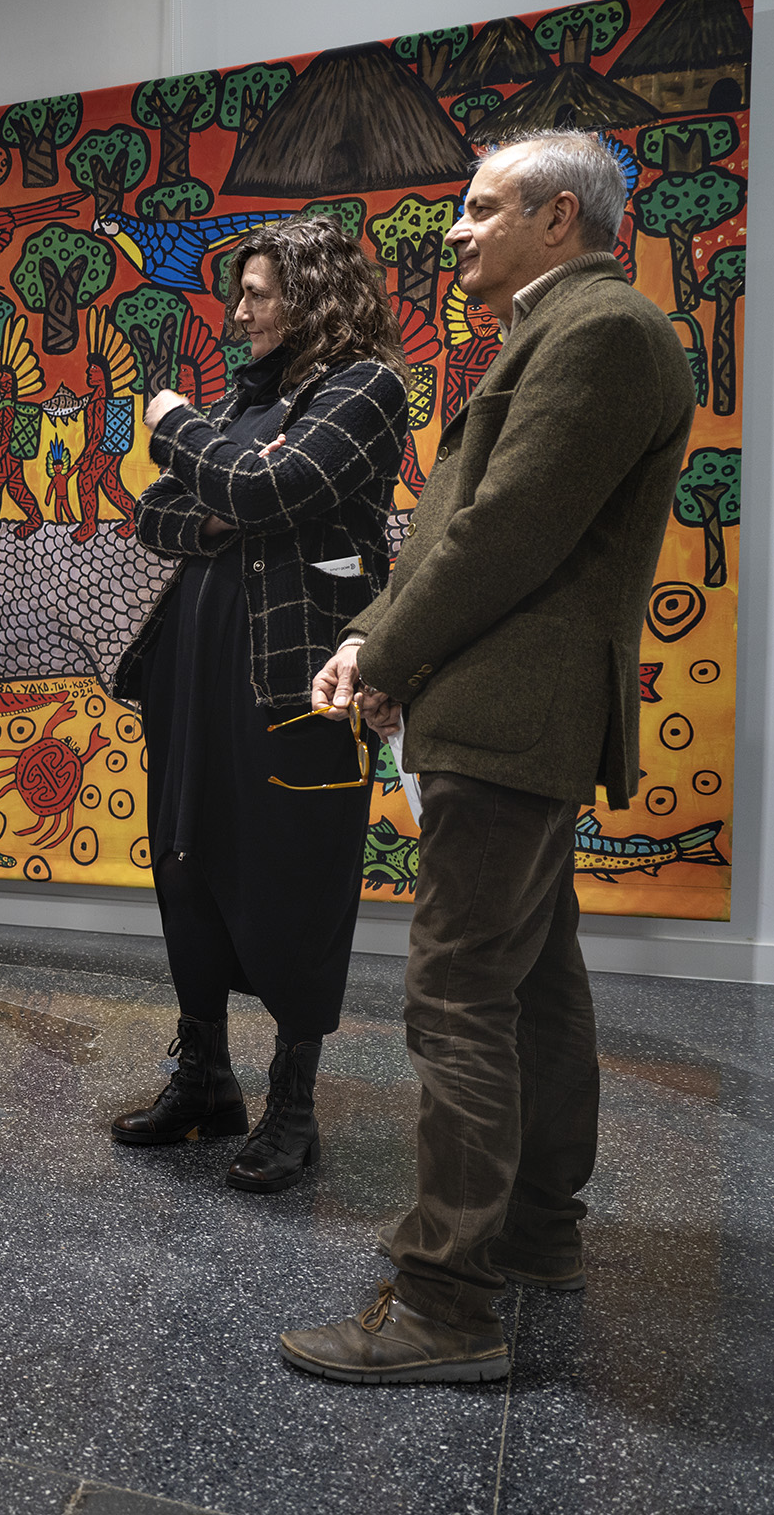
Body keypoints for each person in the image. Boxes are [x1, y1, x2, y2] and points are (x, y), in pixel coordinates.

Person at [281, 131, 694, 1383]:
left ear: (557, 217)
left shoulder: (602, 331)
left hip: (505, 714)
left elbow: (506, 531)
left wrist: (386, 655)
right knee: (535, 983)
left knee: (457, 998)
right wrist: (369, 636)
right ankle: (532, 1235)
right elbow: (452, 529)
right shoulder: (561, 330)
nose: (455, 230)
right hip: (504, 710)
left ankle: (444, 1306)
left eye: (480, 207)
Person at [109, 217, 410, 1193]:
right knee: (187, 862)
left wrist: (174, 427)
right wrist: (230, 493)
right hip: (191, 679)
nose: (237, 313)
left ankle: (293, 1105)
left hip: (299, 683)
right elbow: (158, 512)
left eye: (257, 293)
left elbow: (268, 482)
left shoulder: (364, 389)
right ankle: (205, 1077)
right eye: (238, 294)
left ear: (311, 295)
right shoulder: (248, 399)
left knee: (295, 876)